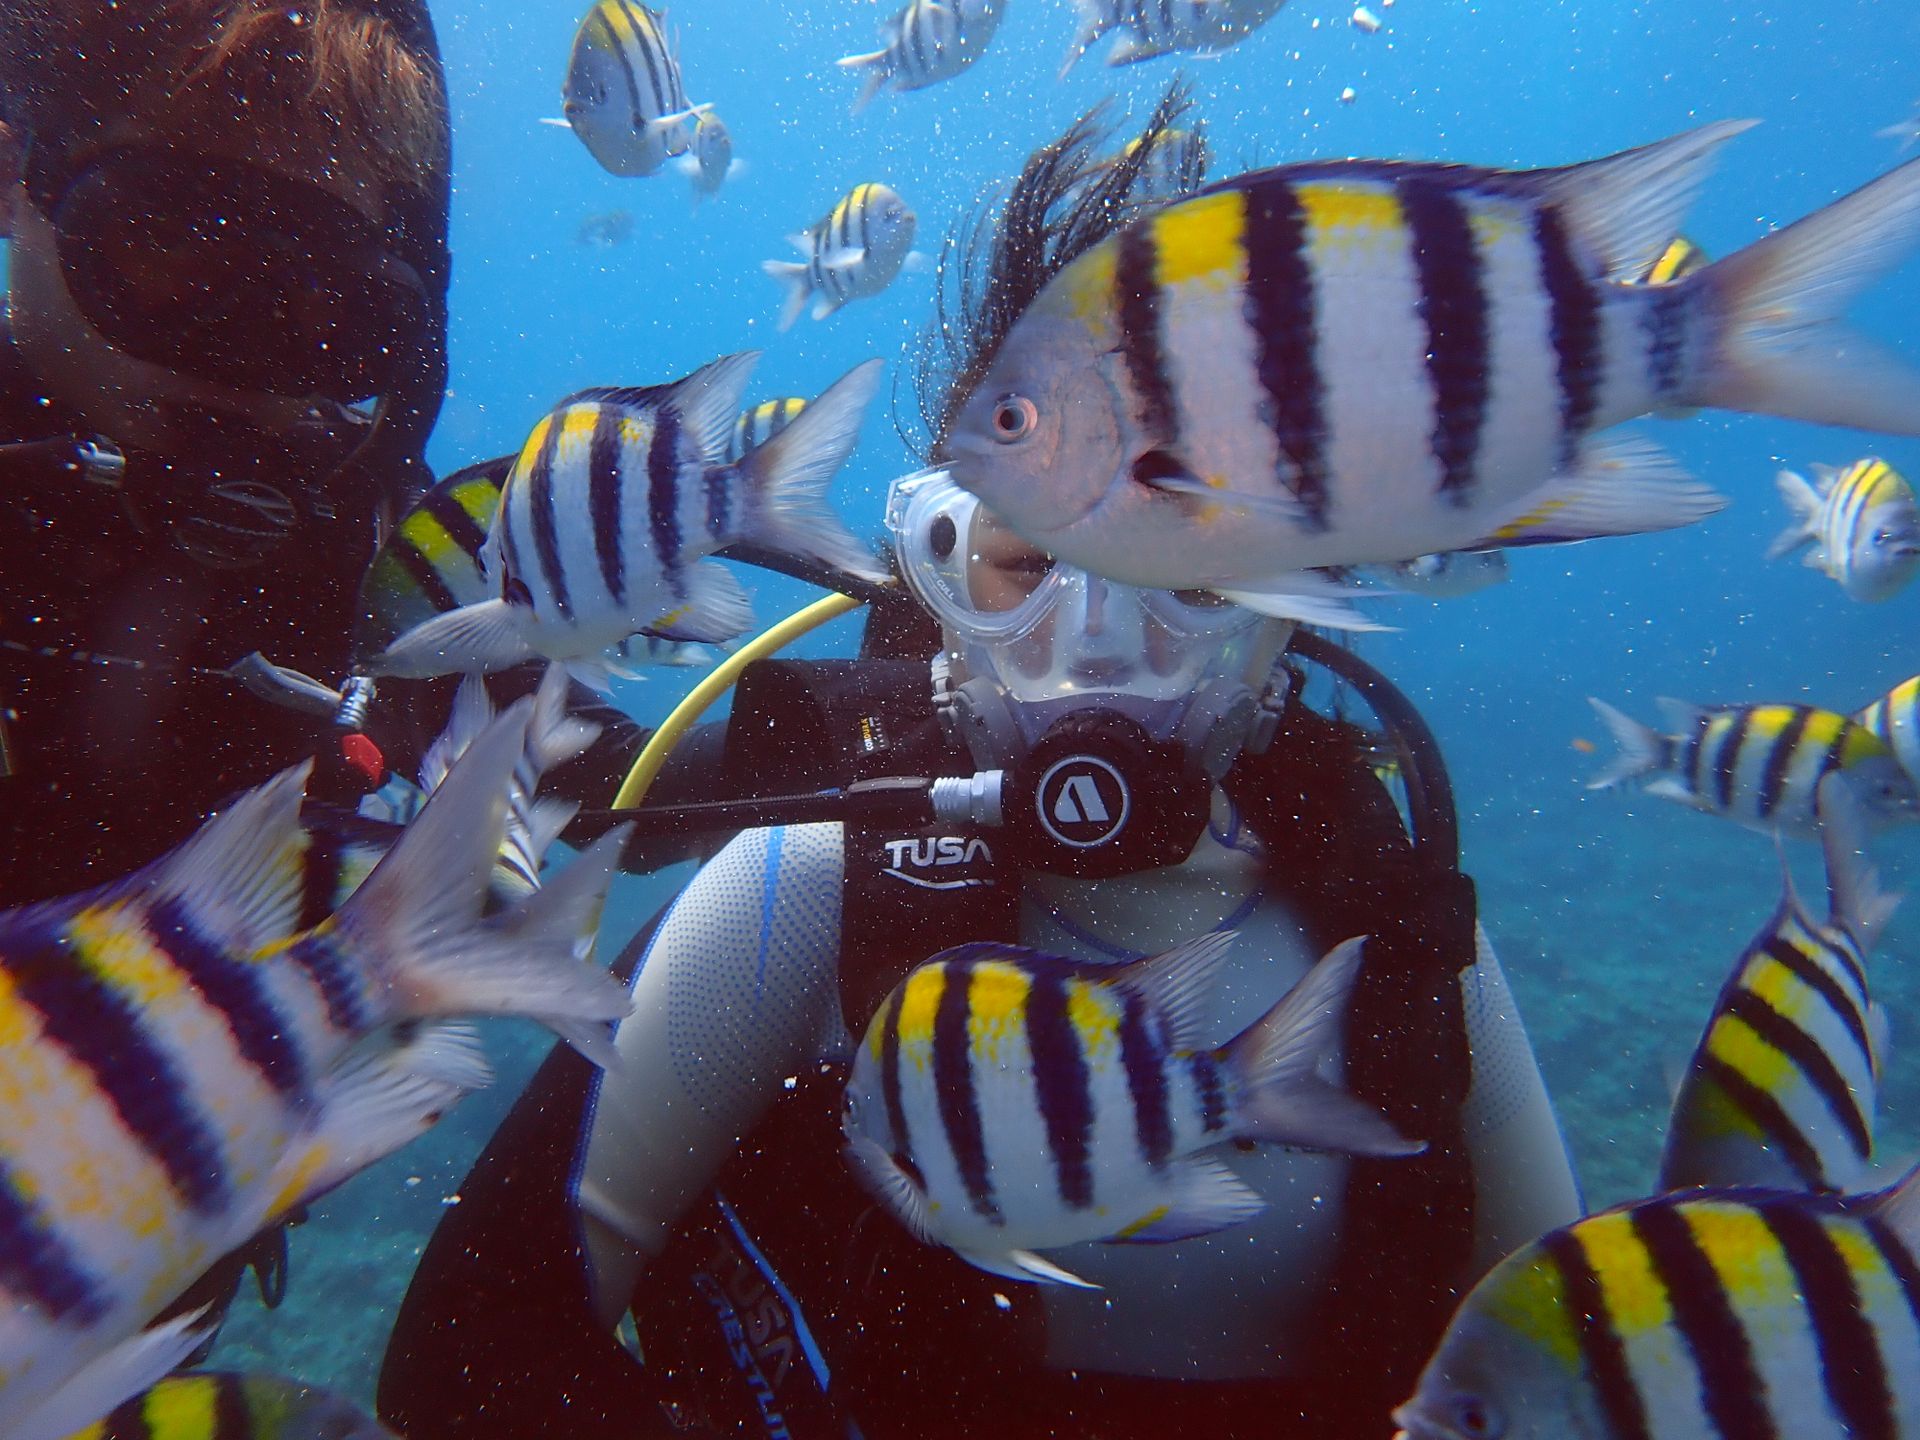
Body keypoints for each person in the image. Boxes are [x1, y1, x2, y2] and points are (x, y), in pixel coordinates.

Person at [376, 461, 1583, 1438]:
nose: (1099, 647)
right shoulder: (803, 889)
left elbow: (1582, 1383)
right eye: (1032, 565)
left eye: (1190, 571)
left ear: (1298, 601)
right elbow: (474, 1353)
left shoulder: (1401, 937)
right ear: (945, 581)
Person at [0, 0, 452, 906]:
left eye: (328, 300)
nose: (240, 356)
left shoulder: (375, 537)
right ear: (14, 177)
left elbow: (614, 778)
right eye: (164, 240)